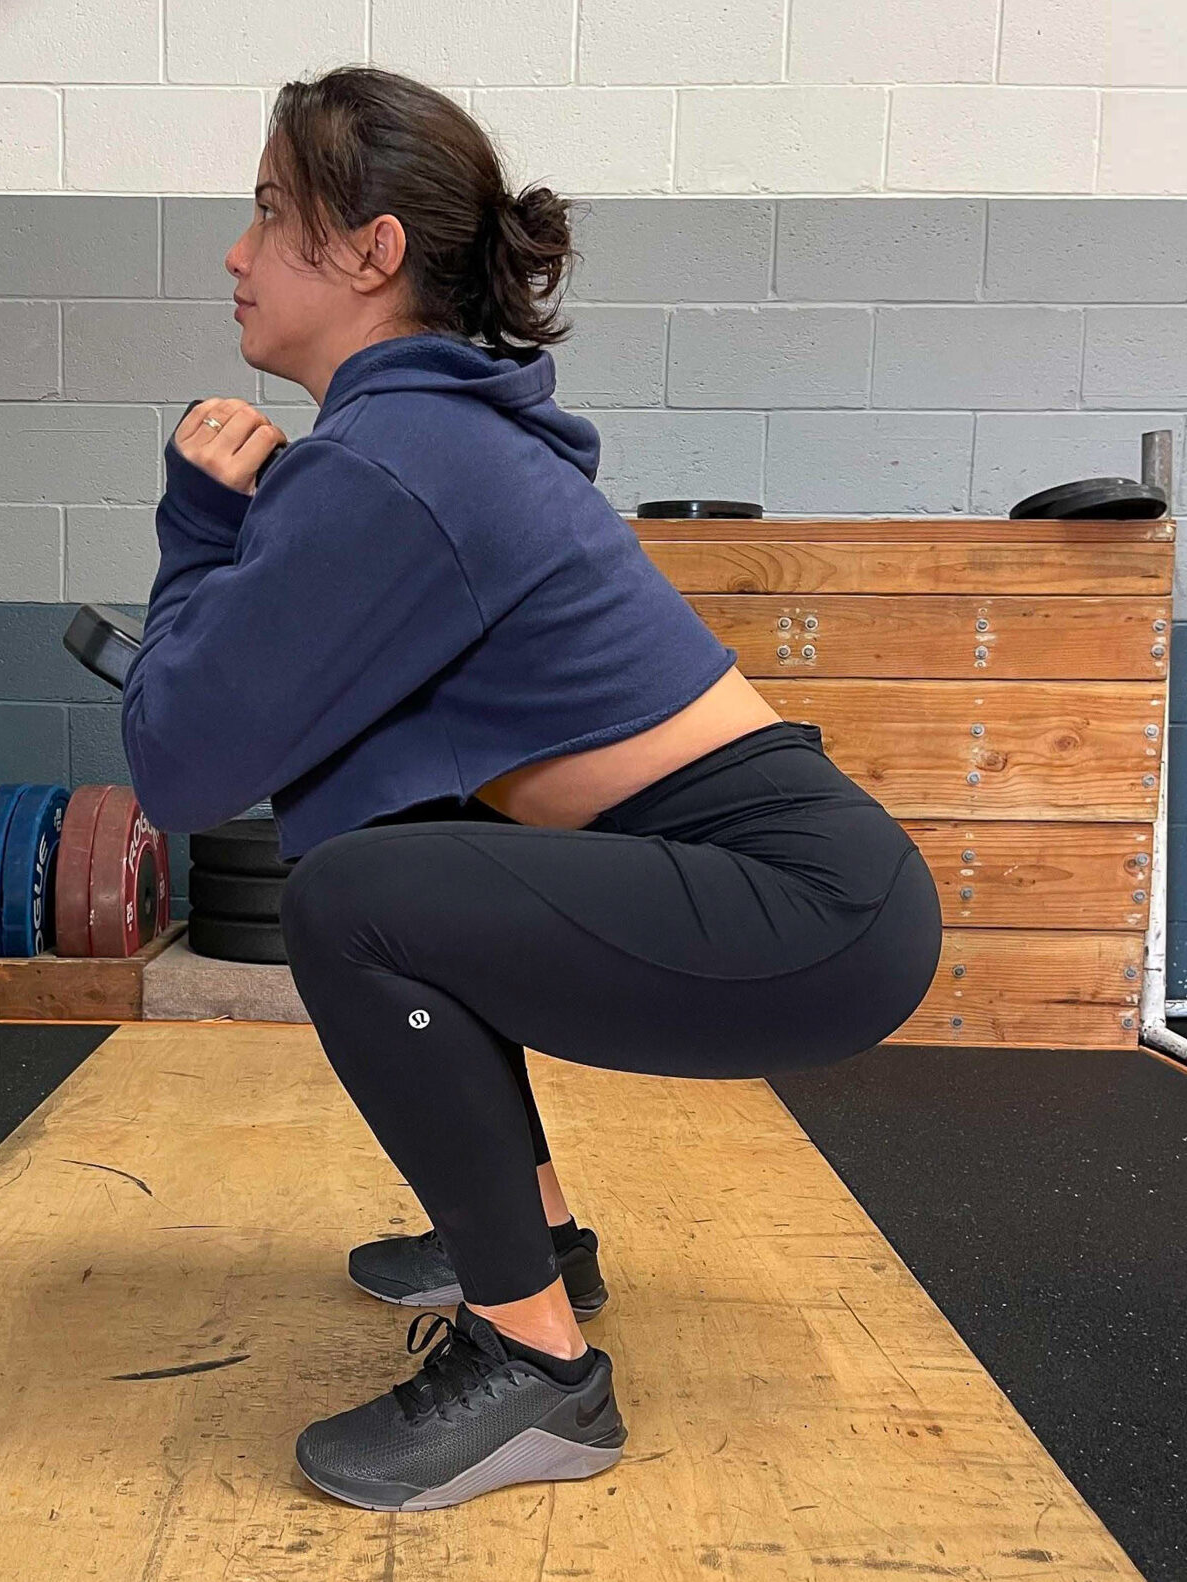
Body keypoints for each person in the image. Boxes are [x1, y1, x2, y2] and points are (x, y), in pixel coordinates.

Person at [122, 65, 944, 1513]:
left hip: (803, 901)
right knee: (410, 856)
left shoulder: (393, 460)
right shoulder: (427, 438)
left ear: (373, 251)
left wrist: (196, 529)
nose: (236, 256)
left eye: (266, 215)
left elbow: (184, 763)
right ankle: (536, 1240)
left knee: (357, 902)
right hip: (814, 884)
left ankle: (534, 1369)